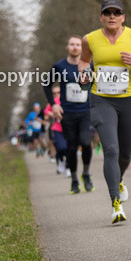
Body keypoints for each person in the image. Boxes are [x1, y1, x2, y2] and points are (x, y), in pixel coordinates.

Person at [78, 0, 131, 224]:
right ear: (101, 17)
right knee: (110, 150)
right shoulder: (90, 39)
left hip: (129, 100)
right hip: (101, 100)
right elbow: (84, 61)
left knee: (124, 153)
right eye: (107, 12)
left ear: (123, 17)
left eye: (116, 12)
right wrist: (83, 74)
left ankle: (119, 179)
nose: (112, 16)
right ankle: (116, 204)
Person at [46, 36, 95, 193]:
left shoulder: (89, 65)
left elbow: (97, 85)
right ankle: (74, 180)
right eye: (72, 44)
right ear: (67, 47)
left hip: (86, 112)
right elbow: (46, 85)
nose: (75, 47)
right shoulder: (59, 66)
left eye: (78, 44)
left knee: (86, 143)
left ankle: (86, 174)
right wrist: (53, 105)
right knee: (71, 148)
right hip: (67, 114)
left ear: (82, 47)